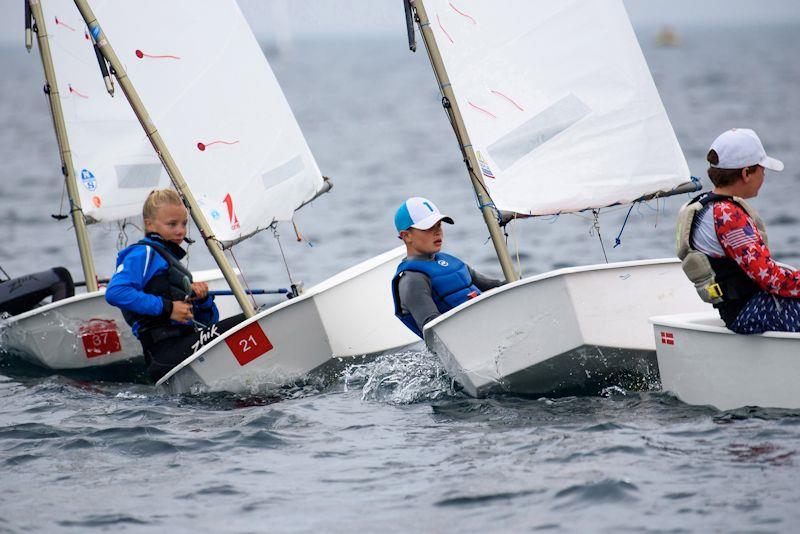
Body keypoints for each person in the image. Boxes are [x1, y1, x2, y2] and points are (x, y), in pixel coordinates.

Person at [106, 189, 244, 381]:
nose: (180, 230)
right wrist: (168, 308)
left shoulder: (172, 262)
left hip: (185, 345)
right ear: (149, 224)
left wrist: (203, 301)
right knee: (246, 322)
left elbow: (207, 325)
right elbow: (115, 292)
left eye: (184, 223)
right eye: (172, 224)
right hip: (165, 355)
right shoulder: (143, 253)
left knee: (247, 321)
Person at [676, 128, 799, 334]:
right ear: (746, 173)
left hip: (741, 307)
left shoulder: (708, 206)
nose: (764, 174)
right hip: (748, 311)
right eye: (762, 169)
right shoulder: (727, 215)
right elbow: (769, 278)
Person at [391, 196, 504, 337]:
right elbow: (435, 331)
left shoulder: (452, 262)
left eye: (439, 225)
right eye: (428, 228)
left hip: (493, 327)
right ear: (406, 236)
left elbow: (499, 286)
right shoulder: (412, 280)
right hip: (471, 341)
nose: (438, 232)